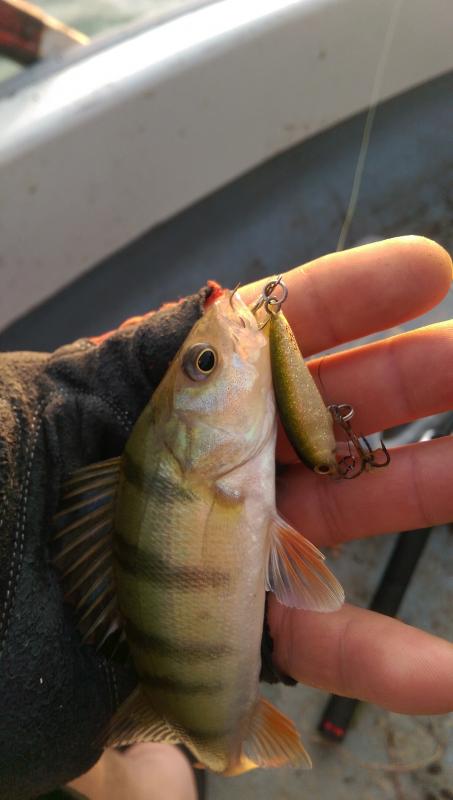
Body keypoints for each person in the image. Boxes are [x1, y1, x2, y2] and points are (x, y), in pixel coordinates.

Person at [1, 237, 452, 800]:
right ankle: (189, 755)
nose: (214, 352)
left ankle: (180, 756)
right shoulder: (182, 466)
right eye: (205, 364)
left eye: (201, 362)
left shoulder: (191, 463)